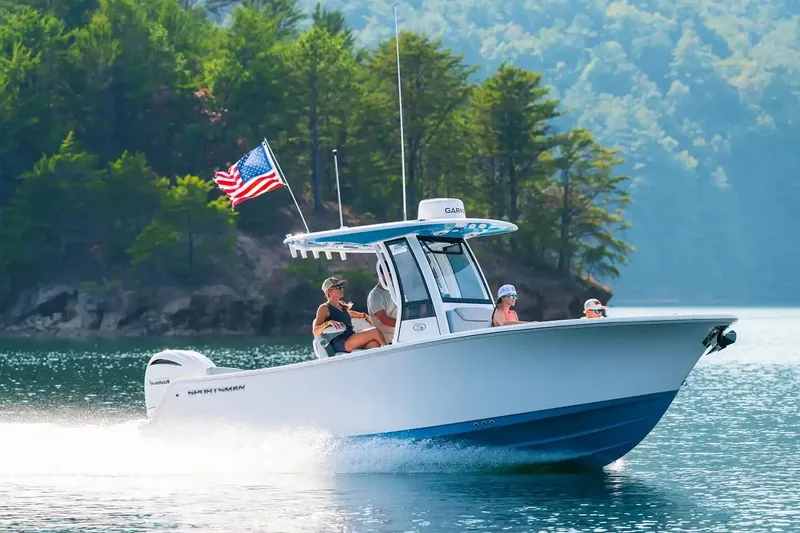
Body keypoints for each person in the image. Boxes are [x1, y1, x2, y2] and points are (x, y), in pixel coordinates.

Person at [313, 276, 387, 353]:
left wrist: (365, 316)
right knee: (374, 331)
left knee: (374, 344)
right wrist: (328, 323)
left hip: (350, 338)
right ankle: (389, 352)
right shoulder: (324, 308)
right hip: (341, 342)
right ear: (330, 291)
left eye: (342, 286)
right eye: (338, 287)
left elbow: (351, 314)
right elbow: (315, 331)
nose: (342, 289)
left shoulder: (341, 306)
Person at [367, 264, 397, 344]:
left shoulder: (396, 291)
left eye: (393, 274)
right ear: (381, 275)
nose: (392, 277)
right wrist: (404, 325)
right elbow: (384, 319)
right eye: (389, 275)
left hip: (403, 335)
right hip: (389, 341)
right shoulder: (375, 296)